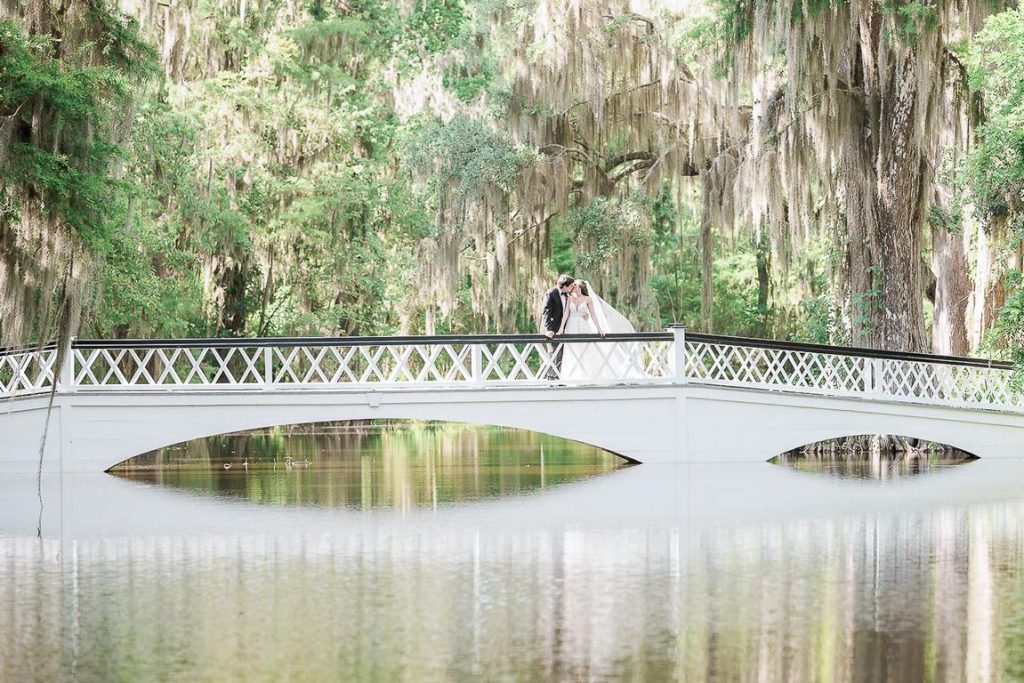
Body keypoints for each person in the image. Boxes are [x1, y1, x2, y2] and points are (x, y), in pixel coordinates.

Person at [541, 274, 576, 378]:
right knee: (553, 352)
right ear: (565, 286)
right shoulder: (551, 293)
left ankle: (558, 376)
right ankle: (551, 377)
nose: (572, 288)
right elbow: (546, 312)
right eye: (571, 286)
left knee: (561, 353)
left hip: (563, 329)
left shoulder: (567, 296)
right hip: (552, 328)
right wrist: (548, 329)